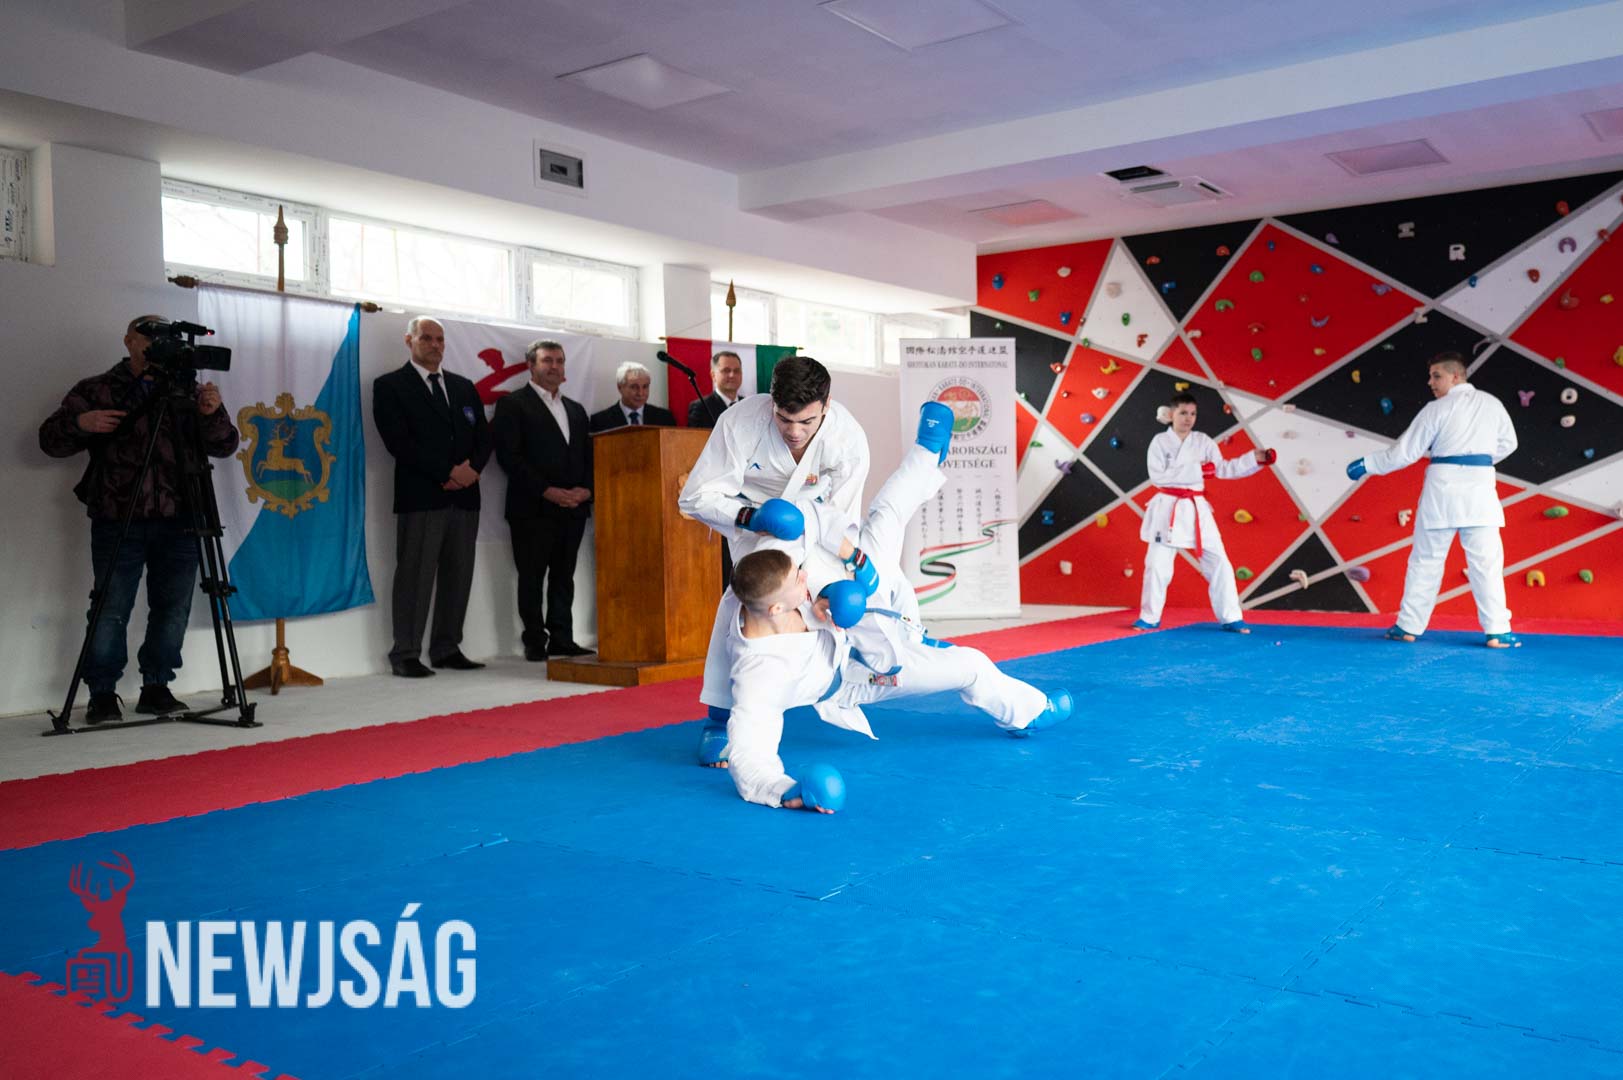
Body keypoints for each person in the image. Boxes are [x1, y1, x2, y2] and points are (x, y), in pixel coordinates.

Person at [722, 404, 1073, 812]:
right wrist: (784, 791)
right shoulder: (759, 673)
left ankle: (928, 452)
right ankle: (1028, 713)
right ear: (777, 610)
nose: (804, 578)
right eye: (798, 583)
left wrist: (850, 565)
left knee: (887, 513)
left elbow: (809, 520)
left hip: (859, 579)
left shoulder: (768, 569)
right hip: (861, 673)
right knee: (971, 664)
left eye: (800, 573)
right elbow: (749, 750)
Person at [39, 315, 240, 724]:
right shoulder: (99, 389)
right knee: (110, 606)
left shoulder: (188, 391)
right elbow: (50, 441)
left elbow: (225, 445)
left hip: (182, 516)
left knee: (174, 607)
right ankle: (102, 694)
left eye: (164, 338)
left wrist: (212, 413)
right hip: (119, 514)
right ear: (128, 341)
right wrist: (81, 423)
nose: (155, 345)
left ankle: (157, 687)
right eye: (148, 337)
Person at [678, 355, 870, 767]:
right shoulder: (739, 423)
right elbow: (694, 498)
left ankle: (826, 678)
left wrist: (841, 572)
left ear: (827, 405)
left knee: (836, 603)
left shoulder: (848, 438)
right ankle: (720, 716)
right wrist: (751, 517)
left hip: (818, 528)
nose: (794, 431)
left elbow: (843, 517)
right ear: (771, 402)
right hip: (757, 525)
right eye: (784, 419)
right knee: (748, 599)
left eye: (807, 421)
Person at [1346, 351, 1520, 647]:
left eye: (1436, 376)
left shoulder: (1436, 409)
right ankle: (1498, 631)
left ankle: (1408, 626)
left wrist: (1367, 464)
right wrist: (1479, 460)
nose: (1431, 382)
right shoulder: (1492, 404)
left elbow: (1404, 453)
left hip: (1443, 490)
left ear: (1456, 376)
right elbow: (1509, 444)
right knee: (1487, 563)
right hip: (1480, 491)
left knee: (1426, 560)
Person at [372, 316, 492, 678]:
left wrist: (472, 470)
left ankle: (446, 647)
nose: (435, 345)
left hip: (465, 497)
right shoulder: (391, 386)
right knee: (415, 575)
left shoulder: (463, 386)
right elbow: (399, 442)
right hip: (423, 495)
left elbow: (484, 437)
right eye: (426, 338)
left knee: (459, 574)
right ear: (409, 340)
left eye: (440, 339)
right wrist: (447, 472)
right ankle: (406, 653)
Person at [1133, 392, 1277, 633]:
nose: (1188, 418)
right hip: (1168, 508)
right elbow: (1157, 476)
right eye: (1183, 413)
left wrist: (1254, 460)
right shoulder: (1159, 442)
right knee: (1157, 565)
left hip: (1196, 510)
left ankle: (1231, 617)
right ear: (1172, 414)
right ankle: (1149, 616)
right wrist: (1197, 470)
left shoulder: (1203, 441)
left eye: (1193, 414)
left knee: (1220, 563)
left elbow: (1223, 469)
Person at [491, 339, 594, 661]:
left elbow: (589, 457)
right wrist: (547, 490)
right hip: (532, 508)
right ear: (530, 365)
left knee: (563, 577)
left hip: (574, 508)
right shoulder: (513, 404)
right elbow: (509, 456)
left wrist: (586, 490)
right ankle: (535, 641)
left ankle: (562, 637)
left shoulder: (575, 409)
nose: (554, 367)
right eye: (547, 360)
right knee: (532, 577)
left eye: (559, 361)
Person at [589, 361, 676, 432]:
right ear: (620, 387)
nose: (640, 393)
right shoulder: (600, 421)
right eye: (634, 387)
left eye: (645, 386)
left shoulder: (664, 418)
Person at [685, 350, 745, 428]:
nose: (732, 375)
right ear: (713, 375)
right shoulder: (700, 408)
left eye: (736, 371)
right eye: (726, 370)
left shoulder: (748, 405)